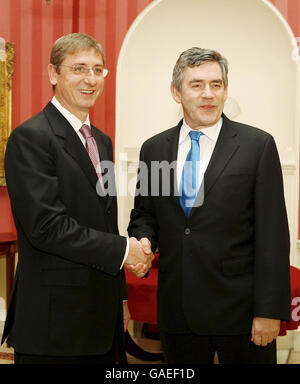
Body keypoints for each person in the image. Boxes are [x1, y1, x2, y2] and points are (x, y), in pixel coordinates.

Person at [127, 47, 291, 364]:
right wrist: (144, 240)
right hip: (178, 314)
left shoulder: (257, 146)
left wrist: (269, 311)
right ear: (176, 92)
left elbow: (272, 236)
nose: (208, 94)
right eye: (197, 84)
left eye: (216, 85)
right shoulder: (154, 148)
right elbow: (145, 214)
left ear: (225, 90)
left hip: (241, 315)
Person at [1, 33, 153, 364]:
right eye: (79, 68)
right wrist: (126, 250)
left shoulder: (102, 140)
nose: (90, 79)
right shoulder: (31, 138)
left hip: (103, 320)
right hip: (54, 326)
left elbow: (106, 221)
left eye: (98, 70)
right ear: (53, 74)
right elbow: (47, 227)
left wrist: (122, 300)